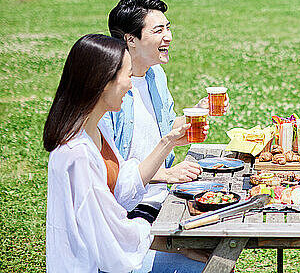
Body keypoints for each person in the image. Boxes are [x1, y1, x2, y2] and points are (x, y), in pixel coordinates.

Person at [44, 34, 206, 273]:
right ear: (102, 81)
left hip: (114, 252)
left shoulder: (96, 129)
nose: (131, 86)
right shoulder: (76, 154)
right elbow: (111, 234)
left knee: (207, 258)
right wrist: (174, 243)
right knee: (209, 265)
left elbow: (124, 186)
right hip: (97, 265)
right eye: (128, 76)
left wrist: (168, 142)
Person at [100, 0, 228, 224]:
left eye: (168, 28)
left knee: (225, 211)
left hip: (164, 194)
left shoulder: (155, 75)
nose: (168, 37)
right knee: (206, 249)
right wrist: (167, 175)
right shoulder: (109, 90)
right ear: (131, 39)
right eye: (158, 31)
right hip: (129, 207)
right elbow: (109, 172)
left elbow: (165, 127)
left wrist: (199, 111)